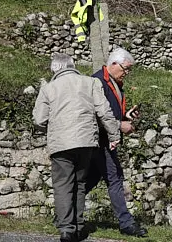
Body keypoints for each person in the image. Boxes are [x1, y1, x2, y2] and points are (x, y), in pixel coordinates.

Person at [33, 53, 121, 242]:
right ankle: (79, 227)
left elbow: (39, 119)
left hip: (61, 144)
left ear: (54, 69)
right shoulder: (90, 83)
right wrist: (114, 135)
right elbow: (104, 112)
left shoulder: (48, 88)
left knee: (63, 185)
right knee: (80, 184)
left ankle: (66, 230)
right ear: (72, 66)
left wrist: (50, 126)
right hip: (86, 141)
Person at [85, 48, 147, 238]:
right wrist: (120, 125)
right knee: (115, 178)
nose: (127, 73)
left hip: (103, 140)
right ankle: (126, 223)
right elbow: (95, 114)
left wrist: (125, 114)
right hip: (99, 140)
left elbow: (110, 111)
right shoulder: (97, 82)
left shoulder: (114, 83)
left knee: (90, 179)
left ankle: (66, 214)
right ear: (113, 64)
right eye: (126, 68)